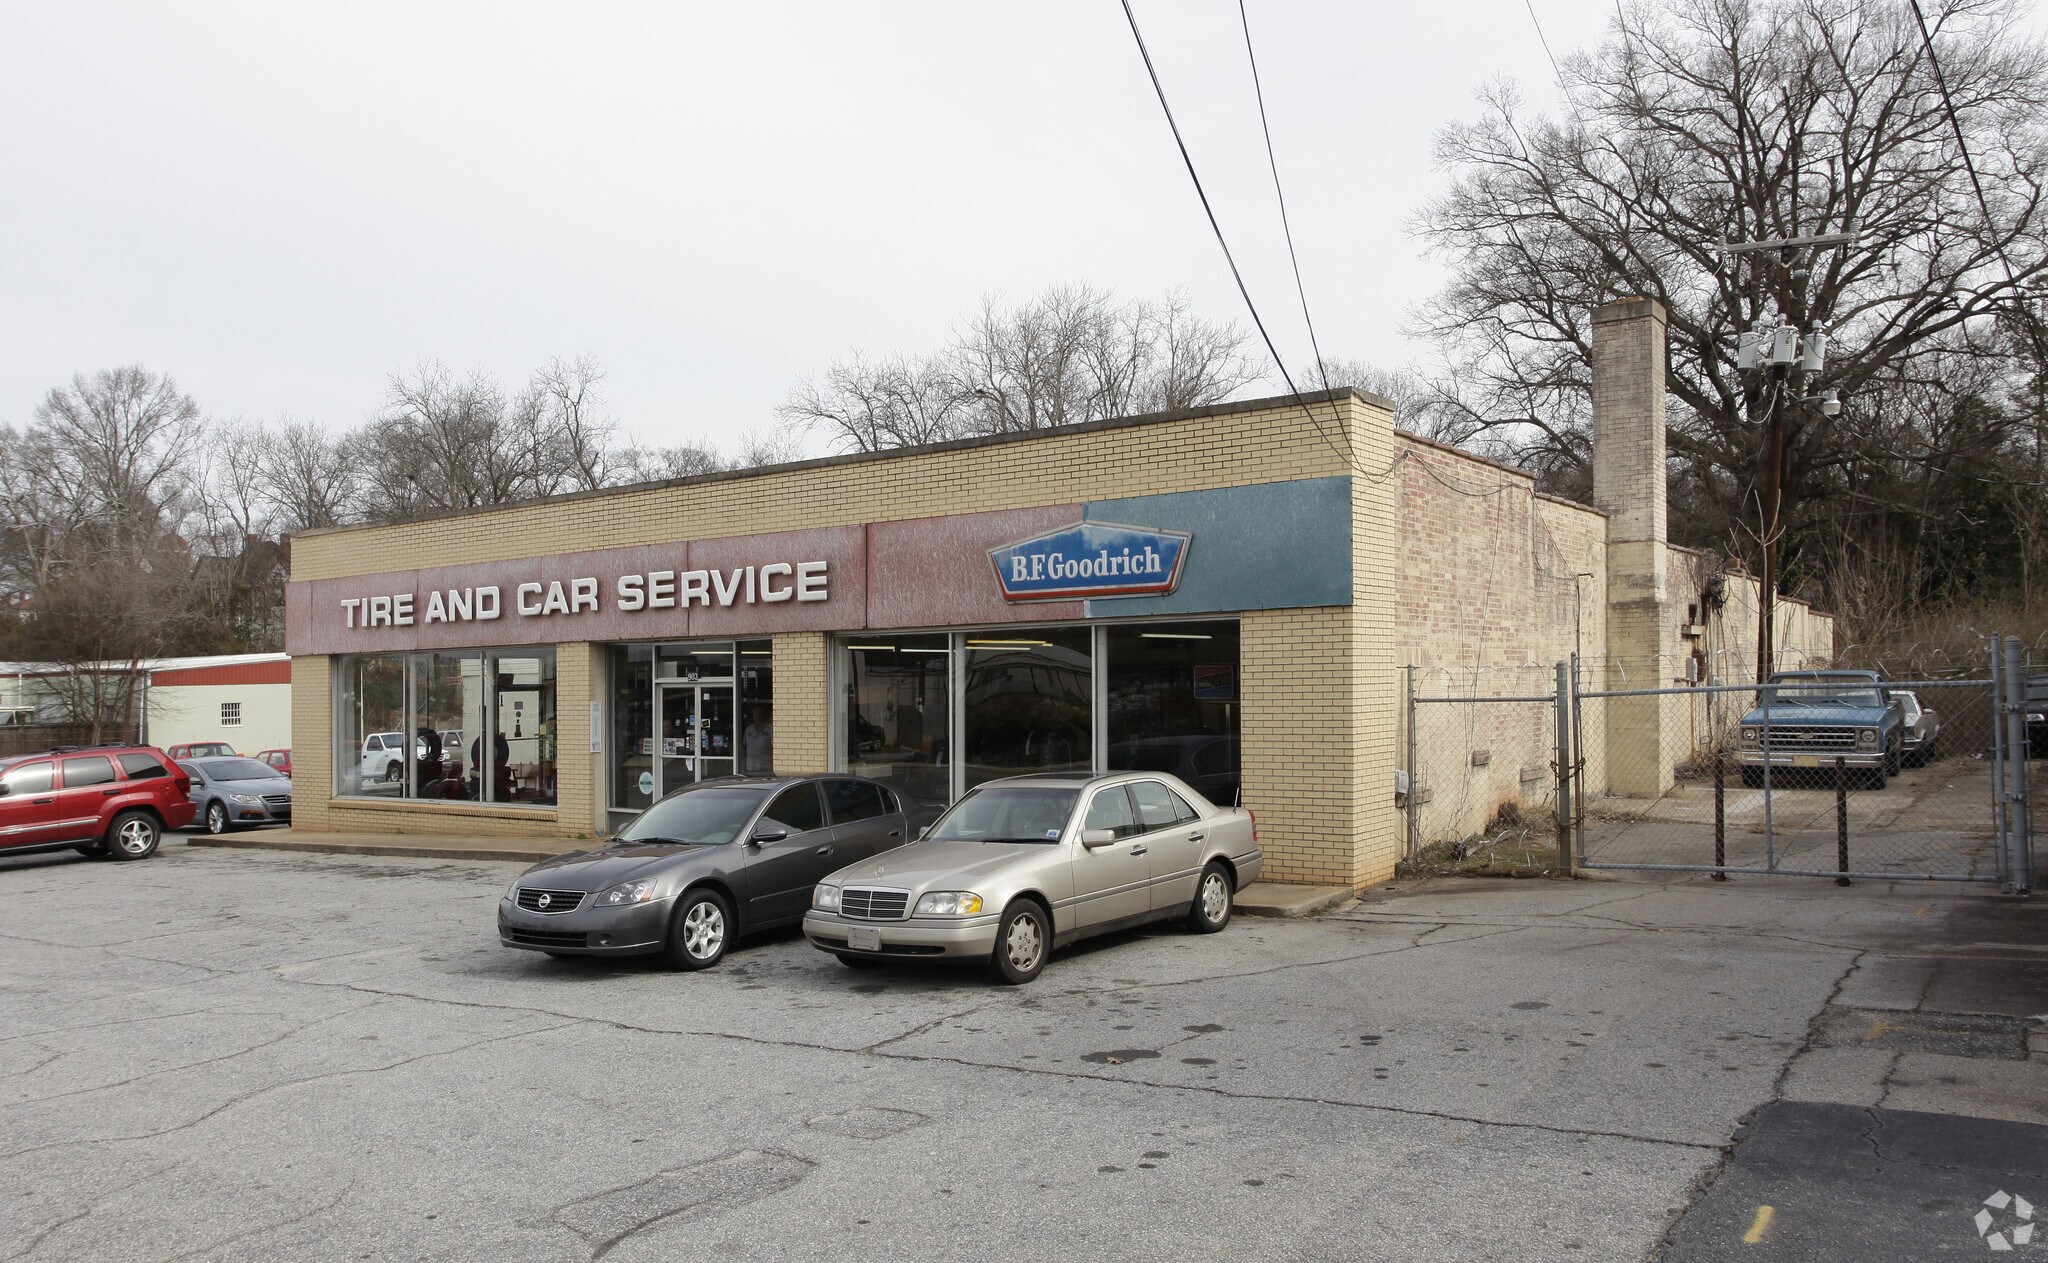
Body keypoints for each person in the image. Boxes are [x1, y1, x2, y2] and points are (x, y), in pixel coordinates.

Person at [742, 706, 773, 774]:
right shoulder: (748, 730)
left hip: (764, 767)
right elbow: (744, 748)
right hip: (750, 766)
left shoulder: (770, 729)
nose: (757, 718)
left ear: (763, 716)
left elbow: (775, 748)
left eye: (760, 715)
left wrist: (770, 759)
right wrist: (743, 764)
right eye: (755, 715)